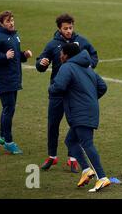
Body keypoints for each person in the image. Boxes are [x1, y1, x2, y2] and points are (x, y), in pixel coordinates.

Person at [36, 14, 99, 172]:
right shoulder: (52, 45)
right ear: (59, 28)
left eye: (71, 28)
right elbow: (41, 61)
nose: (69, 31)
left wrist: (90, 65)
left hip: (74, 94)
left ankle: (72, 158)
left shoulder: (82, 41)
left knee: (75, 125)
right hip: (58, 92)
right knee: (53, 123)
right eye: (65, 28)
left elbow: (94, 56)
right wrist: (41, 64)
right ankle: (52, 156)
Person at [48, 43, 110, 192]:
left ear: (67, 55)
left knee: (87, 143)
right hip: (86, 109)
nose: (60, 55)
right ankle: (86, 170)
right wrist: (90, 99)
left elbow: (59, 86)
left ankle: (102, 177)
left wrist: (50, 89)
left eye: (61, 53)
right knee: (70, 141)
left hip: (80, 111)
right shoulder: (87, 67)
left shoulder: (67, 67)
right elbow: (103, 86)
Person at [0, 11, 33, 155]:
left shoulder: (14, 35)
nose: (11, 23)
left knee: (8, 108)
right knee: (9, 108)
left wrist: (24, 55)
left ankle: (2, 136)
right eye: (7, 21)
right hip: (3, 78)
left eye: (12, 20)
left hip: (13, 77)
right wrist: (4, 56)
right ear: (1, 24)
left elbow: (15, 56)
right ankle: (9, 142)